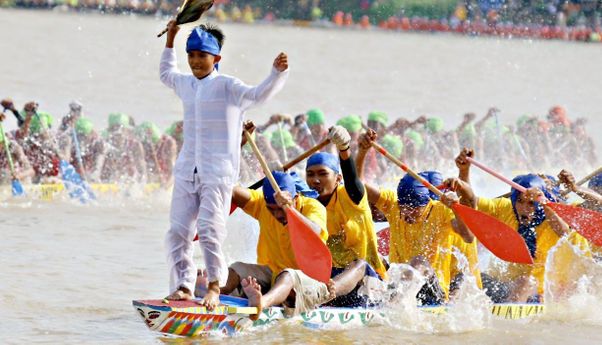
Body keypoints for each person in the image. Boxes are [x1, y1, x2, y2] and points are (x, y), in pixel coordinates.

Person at [160, 20, 289, 308]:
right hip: (186, 171)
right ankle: (183, 285)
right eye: (191, 55)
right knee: (177, 231)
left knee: (209, 229)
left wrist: (277, 73)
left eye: (201, 56)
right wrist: (170, 40)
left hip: (217, 174)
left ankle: (215, 287)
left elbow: (258, 95)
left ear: (216, 58)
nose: (195, 61)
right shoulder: (185, 83)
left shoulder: (228, 86)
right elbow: (166, 74)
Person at [453, 149, 590, 302]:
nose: (525, 208)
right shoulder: (505, 208)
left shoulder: (560, 214)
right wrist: (464, 172)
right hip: (513, 287)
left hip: (552, 292)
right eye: (520, 201)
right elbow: (470, 203)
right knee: (467, 276)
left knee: (526, 281)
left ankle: (510, 322)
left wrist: (544, 201)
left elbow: (564, 232)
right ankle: (450, 309)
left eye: (531, 203)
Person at [357, 129, 474, 304]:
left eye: (414, 208)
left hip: (434, 291)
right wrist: (363, 151)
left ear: (427, 203)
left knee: (419, 261)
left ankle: (391, 307)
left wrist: (457, 206)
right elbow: (357, 185)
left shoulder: (441, 210)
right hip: (398, 285)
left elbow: (469, 237)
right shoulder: (393, 206)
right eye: (404, 206)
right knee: (367, 258)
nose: (406, 212)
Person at [227, 171, 333, 319]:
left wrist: (290, 210)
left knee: (288, 275)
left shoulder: (313, 207)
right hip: (274, 276)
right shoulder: (261, 204)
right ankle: (214, 295)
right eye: (272, 209)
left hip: (312, 282)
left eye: (280, 209)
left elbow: (314, 233)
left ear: (295, 198)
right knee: (237, 268)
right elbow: (229, 190)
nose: (277, 215)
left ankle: (260, 304)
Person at [305, 126, 387, 307]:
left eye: (323, 174)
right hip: (329, 278)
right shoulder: (308, 203)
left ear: (338, 179)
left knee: (360, 264)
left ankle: (322, 296)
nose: (315, 180)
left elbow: (352, 177)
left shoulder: (352, 196)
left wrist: (344, 148)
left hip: (367, 284)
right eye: (310, 174)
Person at [0, 112, 34, 185]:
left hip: (16, 182)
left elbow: (31, 171)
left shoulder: (13, 146)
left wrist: (19, 176)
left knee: (5, 174)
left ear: (3, 141)